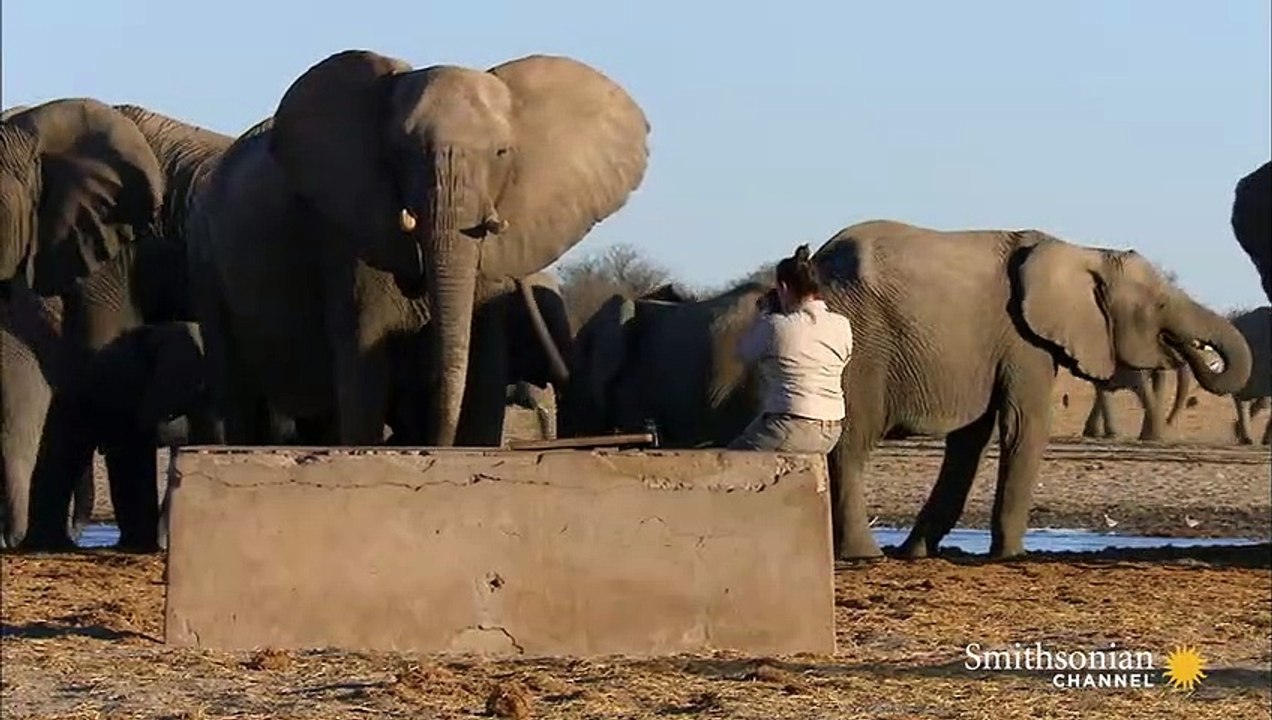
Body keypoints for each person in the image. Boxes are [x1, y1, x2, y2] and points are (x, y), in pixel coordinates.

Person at [728, 244, 853, 453]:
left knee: (728, 466)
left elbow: (742, 353)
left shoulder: (774, 324)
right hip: (832, 428)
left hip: (790, 425)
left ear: (784, 288)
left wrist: (763, 316)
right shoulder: (842, 324)